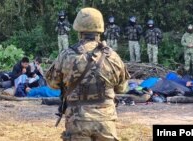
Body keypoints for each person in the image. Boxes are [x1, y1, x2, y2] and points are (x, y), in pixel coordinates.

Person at [46, 7, 130, 141]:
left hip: (77, 121)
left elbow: (52, 84)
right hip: (106, 121)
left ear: (79, 30)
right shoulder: (113, 56)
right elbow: (122, 88)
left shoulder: (66, 55)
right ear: (100, 30)